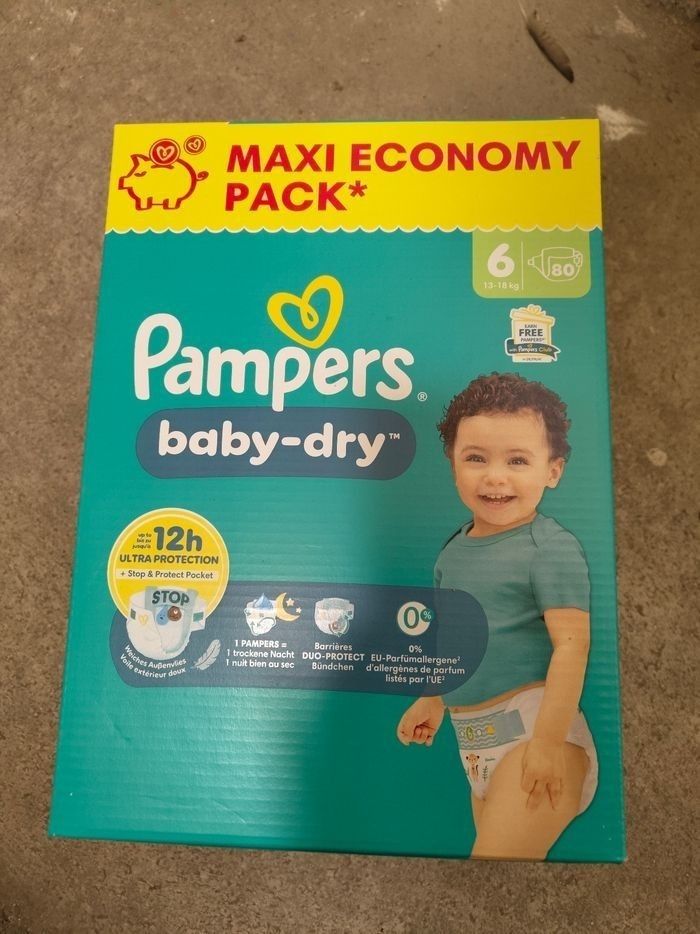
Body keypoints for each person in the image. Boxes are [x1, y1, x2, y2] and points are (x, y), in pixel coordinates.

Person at [397, 372, 598, 860]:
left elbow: (572, 645)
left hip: (536, 733)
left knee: (491, 863)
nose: (495, 476)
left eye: (517, 460)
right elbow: (457, 638)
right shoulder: (453, 551)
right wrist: (433, 698)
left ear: (553, 470)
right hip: (473, 743)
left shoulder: (548, 547)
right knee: (492, 881)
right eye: (476, 458)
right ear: (452, 464)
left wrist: (547, 743)